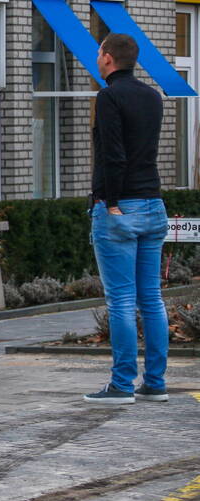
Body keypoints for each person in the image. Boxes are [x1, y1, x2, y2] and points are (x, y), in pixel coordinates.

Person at [84, 33, 169, 404]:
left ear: (107, 58)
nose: (97, 58)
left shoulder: (109, 96)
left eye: (99, 52)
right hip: (153, 204)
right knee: (151, 298)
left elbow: (114, 154)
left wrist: (112, 201)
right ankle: (155, 383)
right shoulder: (152, 96)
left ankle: (121, 385)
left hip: (122, 207)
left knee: (120, 300)